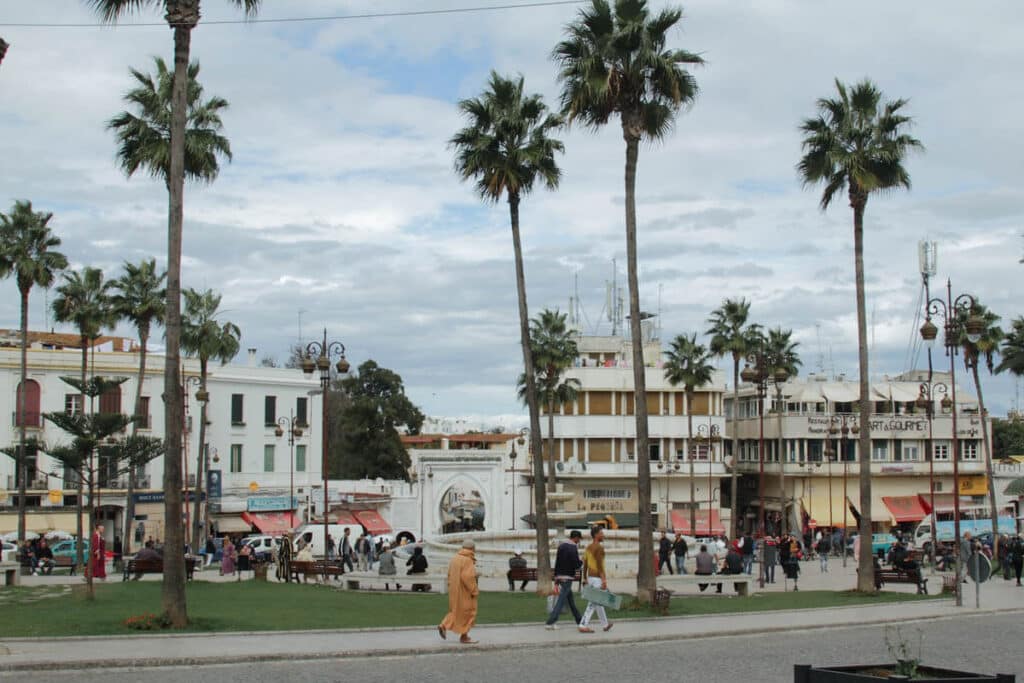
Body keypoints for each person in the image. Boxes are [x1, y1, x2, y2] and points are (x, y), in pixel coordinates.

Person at [438, 538, 480, 645]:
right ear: (472, 548)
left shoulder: (455, 558)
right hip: (464, 591)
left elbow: (449, 574)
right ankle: (464, 637)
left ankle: (443, 625)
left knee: (455, 611)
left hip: (454, 590)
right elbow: (467, 577)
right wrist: (474, 590)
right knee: (468, 612)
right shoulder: (468, 560)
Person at [545, 530, 584, 630]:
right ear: (576, 538)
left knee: (570, 600)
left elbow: (557, 562)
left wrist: (556, 577)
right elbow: (576, 564)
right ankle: (551, 621)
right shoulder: (573, 547)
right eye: (579, 539)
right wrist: (582, 562)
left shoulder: (561, 546)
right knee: (561, 600)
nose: (578, 541)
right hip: (568, 577)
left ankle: (580, 620)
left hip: (560, 576)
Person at [579, 526, 613, 633]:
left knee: (599, 601)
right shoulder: (599, 548)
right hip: (597, 578)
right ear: (596, 535)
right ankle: (583, 624)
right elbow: (600, 565)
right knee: (593, 602)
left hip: (590, 577)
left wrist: (584, 578)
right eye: (601, 533)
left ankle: (605, 624)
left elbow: (584, 564)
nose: (603, 535)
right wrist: (604, 580)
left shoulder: (588, 547)